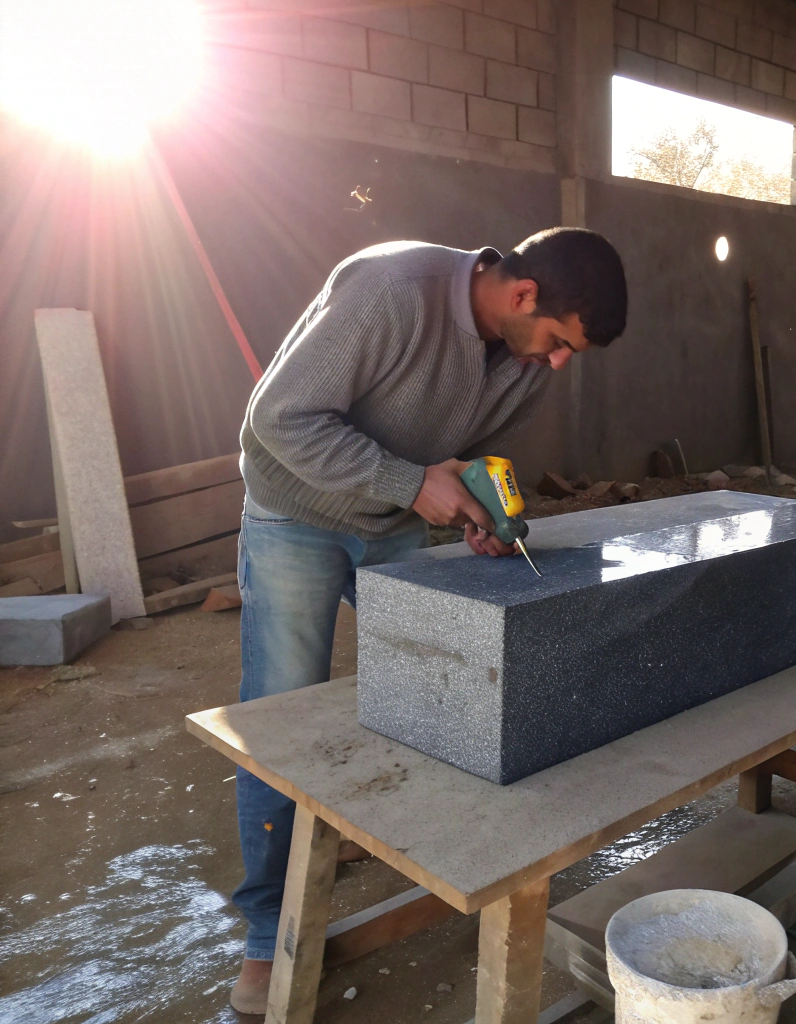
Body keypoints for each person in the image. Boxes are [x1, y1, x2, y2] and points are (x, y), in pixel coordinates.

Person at [227, 228, 628, 1014]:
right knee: (280, 718)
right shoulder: (391, 290)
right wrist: (411, 484)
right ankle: (268, 935)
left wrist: (475, 512)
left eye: (570, 352)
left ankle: (397, 846)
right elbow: (279, 418)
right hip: (295, 515)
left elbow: (464, 461)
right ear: (522, 294)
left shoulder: (525, 363)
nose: (558, 363)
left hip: (392, 522)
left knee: (428, 687)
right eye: (558, 341)